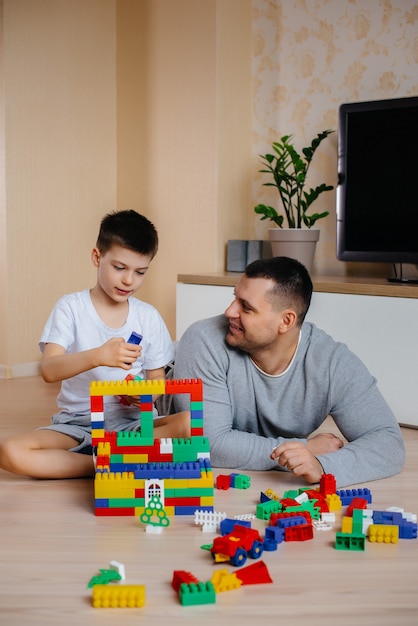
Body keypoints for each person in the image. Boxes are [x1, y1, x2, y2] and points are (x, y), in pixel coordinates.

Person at [173, 256, 405, 487]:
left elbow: (388, 443)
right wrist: (303, 448)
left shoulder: (331, 362)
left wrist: (323, 467)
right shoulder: (203, 340)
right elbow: (207, 443)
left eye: (246, 307)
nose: (229, 311)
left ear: (286, 321)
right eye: (235, 298)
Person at [0, 210, 189, 479]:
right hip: (79, 423)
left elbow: (157, 376)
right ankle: (104, 462)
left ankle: (111, 457)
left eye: (140, 272)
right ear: (97, 257)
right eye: (119, 268)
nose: (128, 280)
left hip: (132, 424)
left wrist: (147, 394)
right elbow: (49, 370)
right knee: (9, 451)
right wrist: (99, 355)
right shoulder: (71, 308)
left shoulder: (147, 316)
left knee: (189, 422)